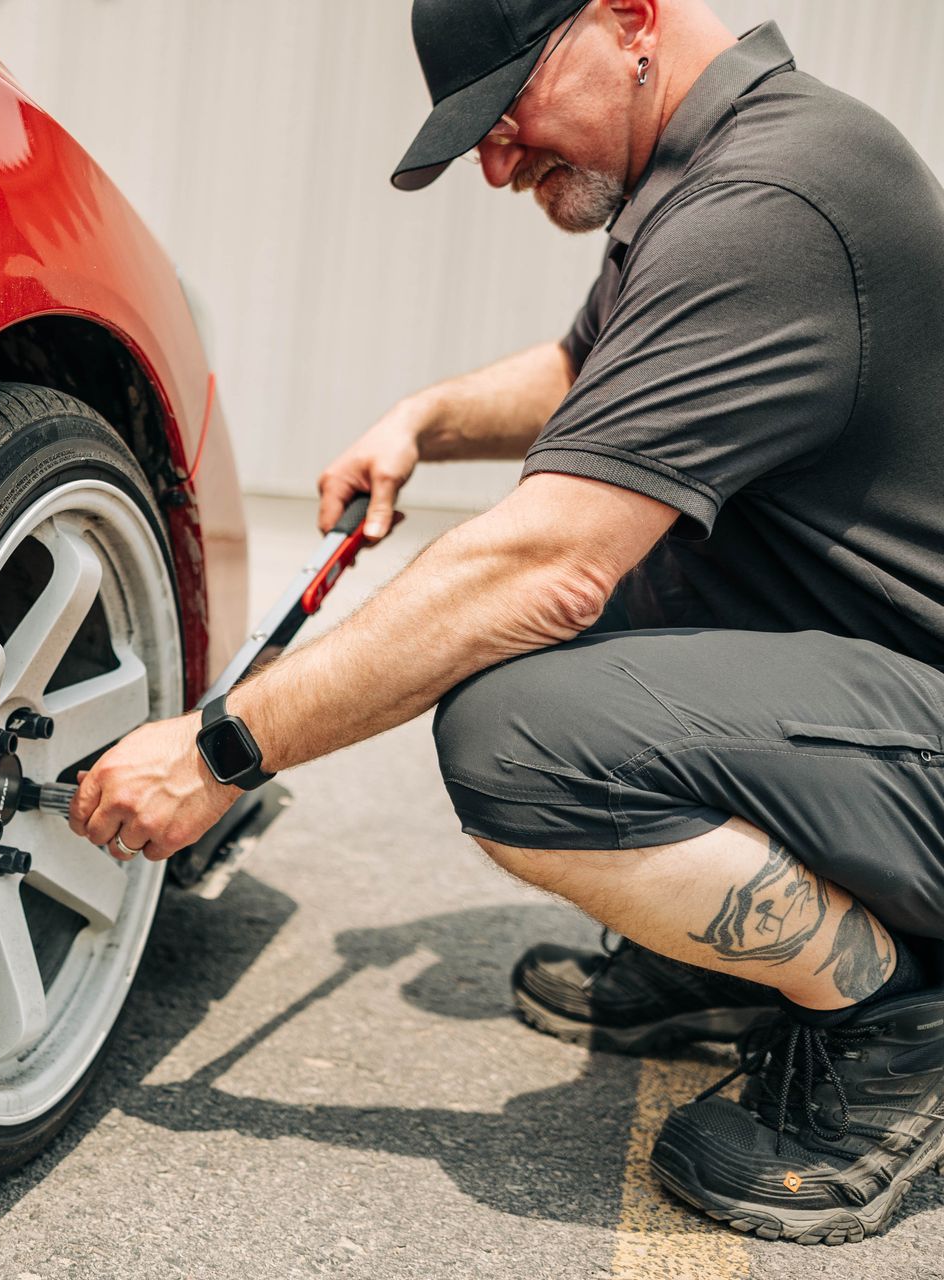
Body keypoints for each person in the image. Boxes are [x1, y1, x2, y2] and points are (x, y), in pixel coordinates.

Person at [69, 0, 944, 1244]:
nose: (494, 160)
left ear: (630, 19)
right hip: (890, 691)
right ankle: (730, 956)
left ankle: (894, 1019)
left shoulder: (775, 205)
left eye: (506, 108)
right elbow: (591, 378)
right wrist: (422, 419)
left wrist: (220, 748)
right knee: (614, 581)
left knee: (522, 728)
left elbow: (540, 567)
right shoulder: (726, 169)